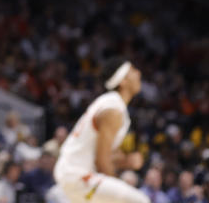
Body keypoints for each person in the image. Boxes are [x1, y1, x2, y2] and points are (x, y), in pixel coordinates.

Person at [52, 60, 148, 203]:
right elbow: (102, 162)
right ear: (123, 81)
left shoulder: (112, 104)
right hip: (78, 175)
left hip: (73, 174)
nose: (139, 73)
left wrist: (126, 161)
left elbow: (104, 157)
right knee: (139, 201)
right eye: (133, 70)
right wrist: (117, 183)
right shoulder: (113, 109)